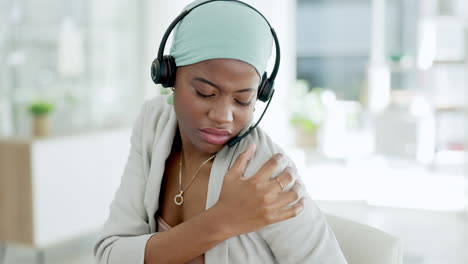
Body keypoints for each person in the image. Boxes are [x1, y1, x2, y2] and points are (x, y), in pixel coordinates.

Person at [94, 1, 347, 263]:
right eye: (206, 93)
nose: (223, 116)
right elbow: (110, 254)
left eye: (242, 100)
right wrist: (222, 220)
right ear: (169, 76)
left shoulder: (265, 171)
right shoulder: (154, 123)